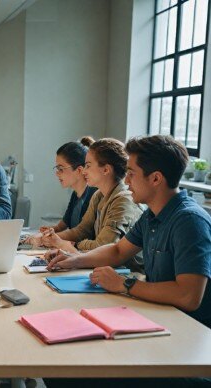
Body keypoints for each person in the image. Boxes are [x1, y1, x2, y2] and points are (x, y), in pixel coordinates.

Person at [44, 135, 210, 387]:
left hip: (184, 344)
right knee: (61, 364)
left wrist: (125, 284)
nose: (126, 180)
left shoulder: (189, 221)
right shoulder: (153, 215)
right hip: (158, 321)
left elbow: (189, 296)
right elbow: (118, 251)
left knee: (68, 375)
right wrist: (74, 261)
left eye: (131, 173)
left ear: (155, 178)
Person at [39, 138, 142, 254]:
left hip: (128, 271)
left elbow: (103, 246)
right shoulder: (98, 195)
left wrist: (72, 245)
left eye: (88, 166)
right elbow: (82, 231)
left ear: (106, 170)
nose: (84, 171)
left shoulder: (123, 200)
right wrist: (55, 239)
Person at [25, 138, 97, 245]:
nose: (57, 173)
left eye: (61, 169)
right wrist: (47, 232)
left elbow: (82, 235)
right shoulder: (75, 195)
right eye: (57, 168)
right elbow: (60, 227)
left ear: (79, 170)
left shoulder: (94, 195)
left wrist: (44, 239)